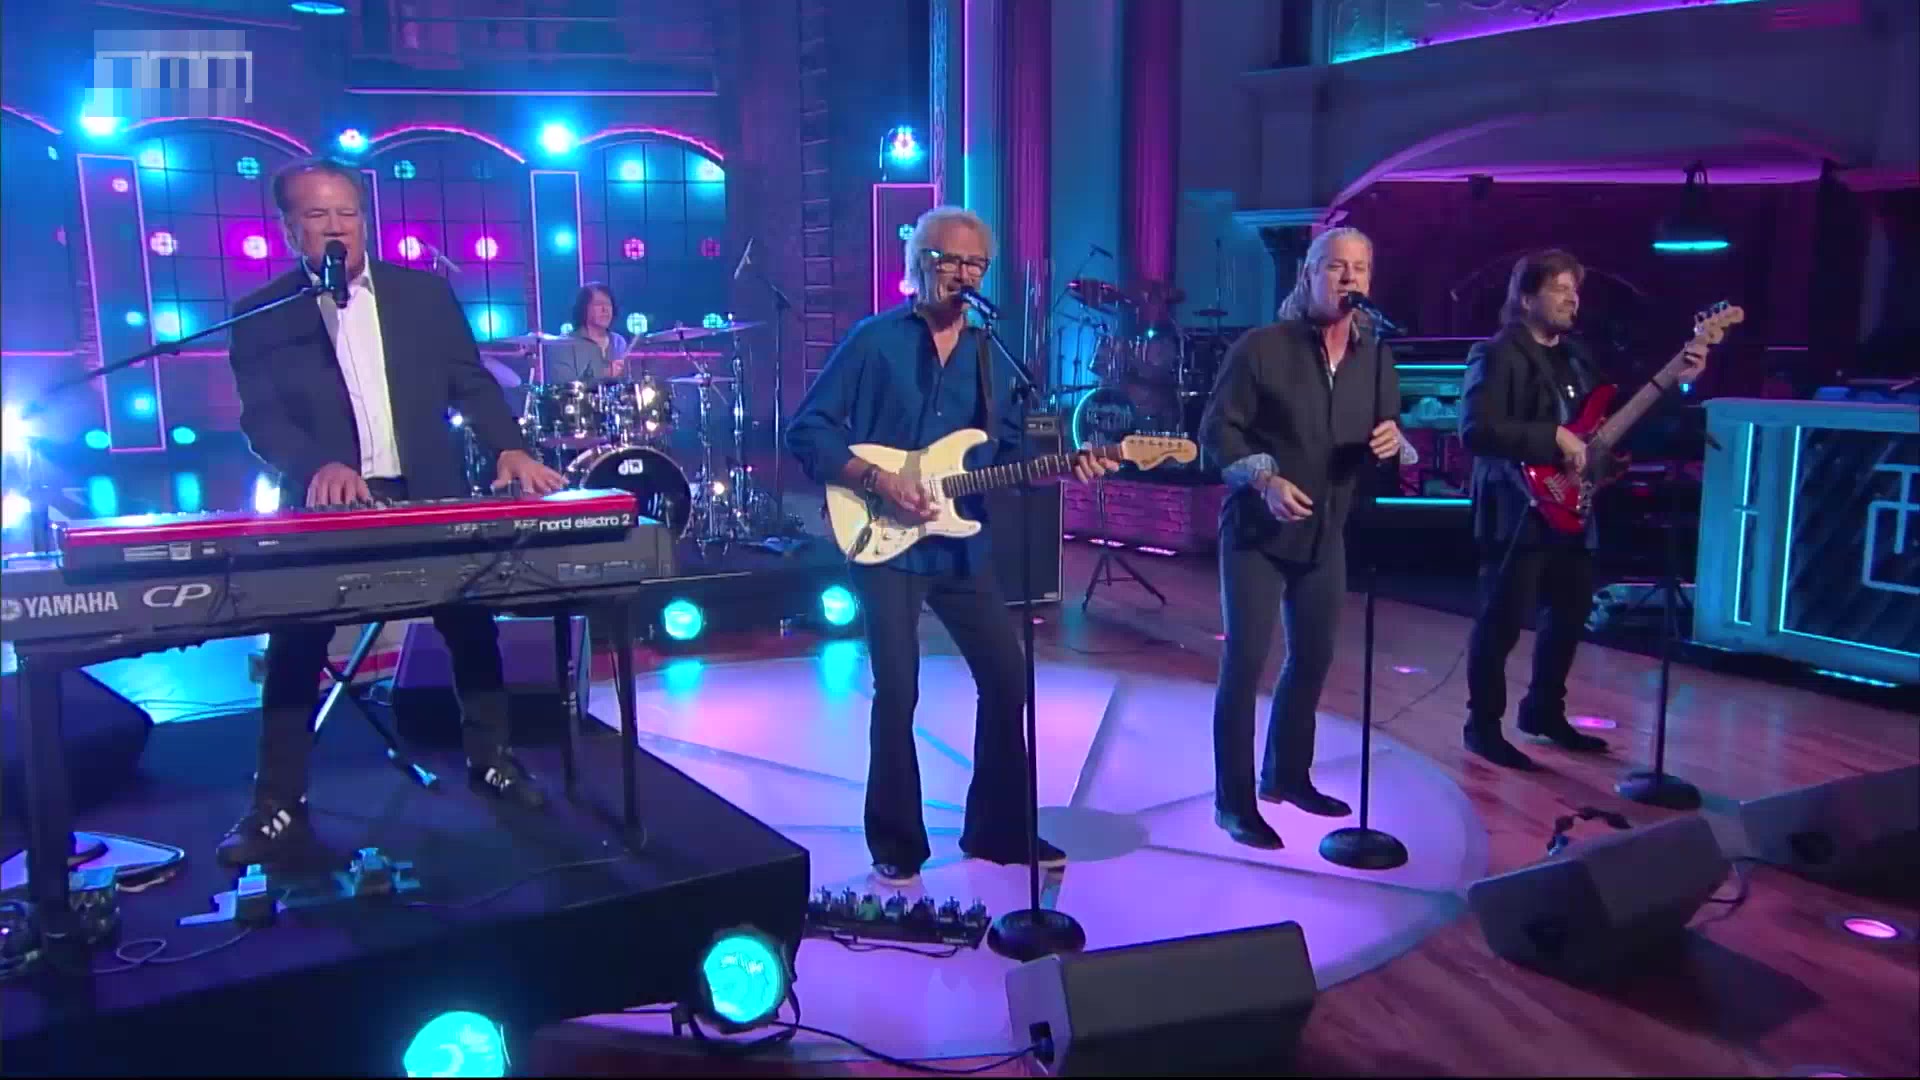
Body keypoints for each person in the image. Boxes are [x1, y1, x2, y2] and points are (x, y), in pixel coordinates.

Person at [219, 158, 569, 866]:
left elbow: (471, 382)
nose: (337, 228)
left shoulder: (422, 295)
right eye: (318, 216)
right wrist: (316, 466)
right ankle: (277, 803)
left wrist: (509, 447)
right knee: (298, 642)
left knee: (470, 623)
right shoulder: (263, 314)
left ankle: (492, 760)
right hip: (328, 502)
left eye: (347, 213)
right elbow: (263, 419)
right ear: (289, 230)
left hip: (427, 489)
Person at [785, 206, 1117, 886]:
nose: (962, 273)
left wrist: (1062, 465)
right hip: (883, 537)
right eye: (949, 259)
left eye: (975, 264)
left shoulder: (992, 355)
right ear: (919, 263)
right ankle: (897, 842)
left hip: (960, 544)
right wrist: (877, 478)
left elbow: (1015, 452)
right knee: (897, 690)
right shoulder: (874, 340)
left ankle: (997, 829)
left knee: (1007, 677)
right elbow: (807, 428)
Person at [1198, 226, 1412, 850]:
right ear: (1308, 275)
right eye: (1336, 267)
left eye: (1360, 269)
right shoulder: (1262, 349)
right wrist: (1264, 479)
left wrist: (1394, 442)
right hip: (1257, 533)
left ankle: (1287, 775)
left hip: (1327, 531)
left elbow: (1388, 435)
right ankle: (1234, 803)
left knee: (1313, 657)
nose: (1349, 278)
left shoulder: (1376, 356)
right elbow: (1218, 434)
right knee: (1245, 663)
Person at [1457, 249, 1701, 768]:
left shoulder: (1578, 357)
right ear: (1526, 298)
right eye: (1560, 289)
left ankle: (1544, 711)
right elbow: (1476, 430)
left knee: (1568, 615)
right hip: (1516, 506)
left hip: (1572, 505)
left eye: (1575, 290)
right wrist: (1553, 436)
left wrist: (1679, 382)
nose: (1573, 299)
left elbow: (1603, 427)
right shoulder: (1497, 354)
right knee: (1502, 623)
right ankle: (1482, 726)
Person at [545, 281, 633, 383]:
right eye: (598, 304)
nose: (605, 310)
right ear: (584, 309)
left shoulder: (618, 342)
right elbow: (564, 386)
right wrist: (604, 374)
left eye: (608, 304)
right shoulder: (562, 345)